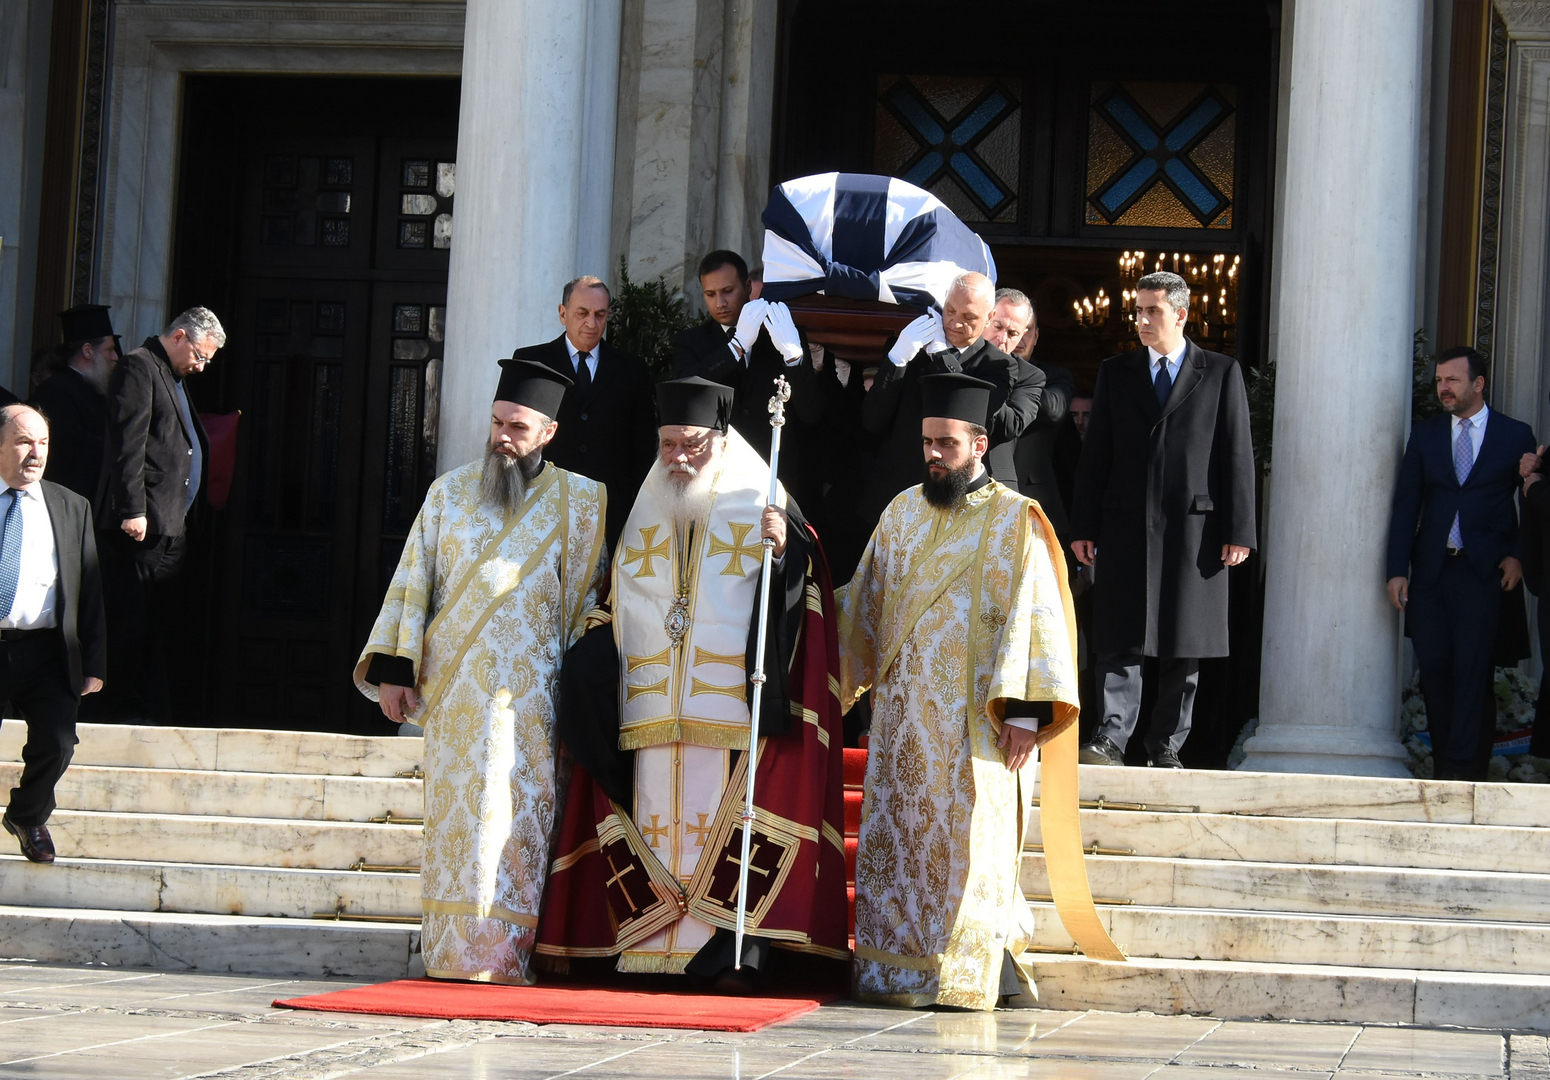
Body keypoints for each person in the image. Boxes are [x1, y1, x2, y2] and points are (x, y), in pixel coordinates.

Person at [537, 376, 847, 990]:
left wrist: (785, 553)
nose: (678, 459)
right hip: (651, 705)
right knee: (654, 818)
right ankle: (651, 953)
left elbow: (806, 587)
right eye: (668, 444)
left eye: (691, 445)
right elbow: (619, 597)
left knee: (720, 828)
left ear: (720, 437)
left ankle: (726, 954)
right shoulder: (649, 503)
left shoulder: (759, 490)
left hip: (731, 704)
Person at [836, 372, 1090, 1010]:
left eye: (946, 443)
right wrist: (788, 573)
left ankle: (976, 969)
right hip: (901, 726)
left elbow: (1039, 620)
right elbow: (857, 609)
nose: (932, 454)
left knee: (974, 849)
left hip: (979, 725)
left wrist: (1028, 715)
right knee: (903, 851)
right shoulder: (899, 513)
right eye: (927, 442)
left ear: (979, 444)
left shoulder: (1015, 520)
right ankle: (899, 972)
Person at [355, 358, 607, 984]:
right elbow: (414, 583)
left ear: (547, 432)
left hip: (533, 702)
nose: (502, 437)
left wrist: (580, 702)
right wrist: (395, 669)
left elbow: (585, 609)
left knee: (514, 826)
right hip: (456, 697)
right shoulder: (448, 492)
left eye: (517, 427)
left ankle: (505, 957)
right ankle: (450, 956)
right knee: (456, 826)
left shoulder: (582, 502)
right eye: (497, 422)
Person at [1071, 271, 1256, 769]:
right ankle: (1110, 738)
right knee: (1119, 634)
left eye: (1152, 310)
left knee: (1184, 640)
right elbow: (1098, 453)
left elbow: (1236, 453)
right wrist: (1084, 526)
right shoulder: (1117, 370)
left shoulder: (1219, 371)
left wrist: (1240, 530)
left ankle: (1166, 746)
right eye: (1138, 310)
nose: (1141, 320)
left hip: (1196, 529)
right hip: (1125, 525)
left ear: (1180, 313)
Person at [1388, 347, 1536, 780]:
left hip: (1483, 574)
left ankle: (1465, 775)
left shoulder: (1515, 435)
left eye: (1452, 380)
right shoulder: (1427, 434)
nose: (1443, 388)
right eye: (1439, 381)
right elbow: (1405, 504)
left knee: (1473, 672)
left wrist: (1519, 556)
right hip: (1432, 574)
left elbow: (1532, 505)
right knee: (1434, 671)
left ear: (1478, 383)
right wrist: (1397, 568)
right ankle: (1444, 772)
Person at [98, 306, 221, 722]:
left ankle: (150, 707)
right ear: (181, 336)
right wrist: (132, 509)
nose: (202, 367)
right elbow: (127, 443)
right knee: (131, 623)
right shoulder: (139, 365)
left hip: (172, 525)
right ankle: (120, 709)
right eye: (201, 356)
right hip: (143, 526)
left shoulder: (173, 375)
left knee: (155, 624)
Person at [0, 405, 106, 863]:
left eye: (42, 443)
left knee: (59, 742)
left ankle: (28, 815)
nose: (35, 453)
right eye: (24, 441)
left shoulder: (70, 505)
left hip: (46, 649)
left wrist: (95, 662)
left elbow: (90, 588)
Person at [860, 272, 1042, 529]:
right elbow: (873, 420)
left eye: (968, 317)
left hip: (958, 501)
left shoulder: (999, 365)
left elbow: (972, 414)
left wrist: (941, 355)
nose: (954, 323)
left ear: (989, 317)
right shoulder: (911, 347)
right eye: (950, 311)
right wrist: (897, 360)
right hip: (897, 494)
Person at [513, 275, 656, 549]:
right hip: (544, 507)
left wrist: (638, 510)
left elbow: (643, 446)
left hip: (610, 513)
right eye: (582, 313)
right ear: (562, 313)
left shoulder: (631, 370)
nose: (591, 323)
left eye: (600, 314)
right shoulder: (531, 362)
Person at [669, 250, 819, 501]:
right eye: (710, 294)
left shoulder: (779, 334)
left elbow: (811, 413)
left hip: (776, 475)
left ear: (748, 286)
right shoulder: (691, 342)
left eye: (728, 291)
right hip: (715, 477)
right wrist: (734, 348)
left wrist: (794, 357)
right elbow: (685, 394)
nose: (720, 302)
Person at [990, 290, 1076, 550]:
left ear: (1036, 336)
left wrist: (1014, 374)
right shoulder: (980, 368)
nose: (1017, 338)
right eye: (1002, 327)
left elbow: (1055, 409)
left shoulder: (1053, 376)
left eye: (1025, 330)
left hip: (1036, 501)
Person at [32, 305, 120, 503]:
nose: (115, 357)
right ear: (88, 351)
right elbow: (66, 460)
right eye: (110, 349)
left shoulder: (94, 392)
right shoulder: (55, 393)